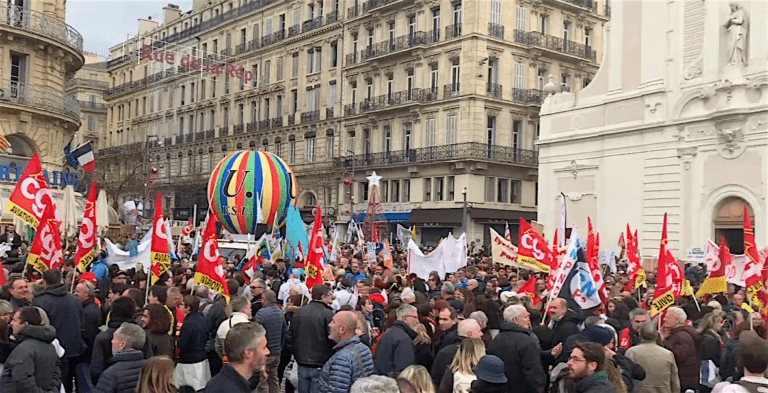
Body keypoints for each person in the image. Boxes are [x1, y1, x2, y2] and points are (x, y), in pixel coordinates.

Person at [32, 269, 87, 393]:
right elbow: (82, 326)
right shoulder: (75, 300)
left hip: (54, 353)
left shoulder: (40, 302)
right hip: (74, 350)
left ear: (45, 282)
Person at [487, 304, 548, 393]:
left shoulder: (495, 340)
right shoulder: (527, 342)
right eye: (525, 317)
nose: (528, 320)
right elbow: (533, 373)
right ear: (516, 320)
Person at [0, 307, 61, 393]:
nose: (11, 323)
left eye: (15, 320)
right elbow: (56, 374)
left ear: (25, 324)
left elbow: (22, 380)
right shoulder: (50, 346)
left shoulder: (23, 349)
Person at [289, 284, 335, 393]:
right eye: (330, 296)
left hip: (302, 361)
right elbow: (332, 337)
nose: (331, 300)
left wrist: (297, 354)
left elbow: (290, 337)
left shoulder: (300, 312)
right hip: (320, 363)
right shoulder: (328, 313)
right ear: (323, 297)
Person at [317, 311, 375, 393]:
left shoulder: (342, 359)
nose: (329, 325)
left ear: (342, 329)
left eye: (333, 321)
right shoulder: (364, 348)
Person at [203, 322, 270, 393]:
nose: (267, 352)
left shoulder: (227, 383)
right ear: (248, 353)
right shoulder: (227, 389)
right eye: (264, 347)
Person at [92, 323, 148, 393]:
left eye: (114, 338)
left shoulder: (110, 374)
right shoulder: (151, 368)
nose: (112, 341)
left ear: (122, 344)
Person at [625, 322, 680, 393]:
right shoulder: (667, 354)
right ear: (657, 335)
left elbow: (626, 378)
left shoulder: (631, 352)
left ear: (640, 334)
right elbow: (674, 380)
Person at [431, 319, 483, 386]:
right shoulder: (477, 353)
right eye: (479, 331)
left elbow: (435, 379)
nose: (481, 334)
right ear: (470, 334)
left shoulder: (443, 352)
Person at [661, 306, 701, 392]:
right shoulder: (676, 333)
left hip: (683, 382)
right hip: (683, 379)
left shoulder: (682, 336)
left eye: (667, 317)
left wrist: (664, 342)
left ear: (677, 319)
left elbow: (679, 357)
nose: (664, 319)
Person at [254, 289, 287, 393]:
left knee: (261, 381)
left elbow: (255, 333)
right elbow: (284, 332)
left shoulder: (261, 313)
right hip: (276, 353)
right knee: (273, 379)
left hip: (263, 353)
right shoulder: (280, 313)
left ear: (265, 299)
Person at [176, 295, 210, 390]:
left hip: (189, 362)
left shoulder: (189, 324)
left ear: (188, 308)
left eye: (183, 305)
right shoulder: (202, 317)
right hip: (201, 358)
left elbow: (183, 343)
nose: (181, 306)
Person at [374, 304, 419, 375]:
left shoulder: (388, 334)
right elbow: (404, 371)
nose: (417, 321)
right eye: (415, 317)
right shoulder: (404, 339)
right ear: (405, 318)